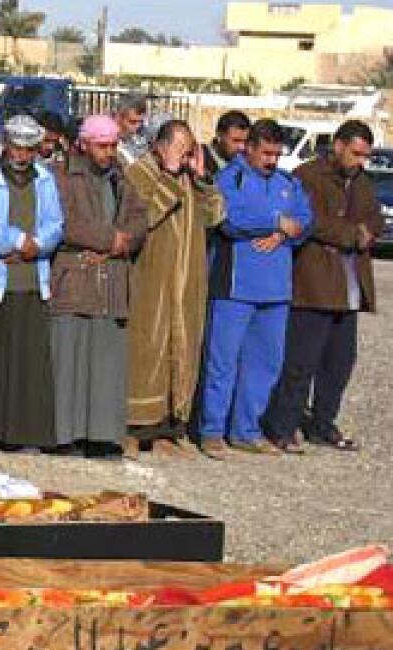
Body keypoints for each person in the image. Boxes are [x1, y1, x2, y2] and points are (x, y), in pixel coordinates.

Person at [263, 120, 380, 453]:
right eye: (356, 153)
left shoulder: (361, 181)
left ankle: (322, 423)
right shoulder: (307, 176)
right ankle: (282, 426)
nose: (360, 161)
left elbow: (374, 216)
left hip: (350, 285)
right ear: (339, 145)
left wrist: (367, 231)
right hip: (315, 283)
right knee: (301, 361)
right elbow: (309, 219)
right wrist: (350, 234)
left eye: (365, 156)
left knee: (340, 363)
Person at [201, 119, 313, 457]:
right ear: (248, 148)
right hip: (235, 286)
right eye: (265, 153)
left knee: (266, 364)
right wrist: (276, 221)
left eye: (276, 154)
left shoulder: (286, 181)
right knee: (223, 362)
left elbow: (305, 219)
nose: (271, 160)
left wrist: (283, 234)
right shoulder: (230, 177)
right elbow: (231, 218)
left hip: (276, 290)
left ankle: (246, 430)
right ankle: (211, 431)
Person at [122, 120, 225, 459]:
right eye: (180, 149)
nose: (185, 156)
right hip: (152, 281)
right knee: (146, 352)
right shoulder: (140, 173)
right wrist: (167, 175)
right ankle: (134, 430)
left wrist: (203, 179)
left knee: (182, 353)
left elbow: (216, 217)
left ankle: (169, 428)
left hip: (187, 285)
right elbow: (144, 218)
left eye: (189, 149)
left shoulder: (191, 178)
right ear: (161, 146)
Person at [0, 115, 63, 451]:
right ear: (6, 146)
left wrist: (38, 245)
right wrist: (19, 242)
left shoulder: (45, 179)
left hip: (31, 278)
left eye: (29, 150)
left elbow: (55, 223)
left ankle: (23, 435)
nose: (22, 156)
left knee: (27, 361)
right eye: (17, 149)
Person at [49, 115, 148, 456]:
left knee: (106, 361)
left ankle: (102, 435)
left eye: (112, 145)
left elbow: (139, 217)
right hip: (75, 275)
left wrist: (123, 242)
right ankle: (66, 436)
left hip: (110, 279)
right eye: (102, 145)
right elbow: (64, 221)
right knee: (70, 361)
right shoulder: (62, 175)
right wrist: (110, 239)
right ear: (84, 144)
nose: (108, 152)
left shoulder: (121, 177)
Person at [201, 110, 251, 177]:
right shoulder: (199, 161)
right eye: (236, 140)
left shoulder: (246, 164)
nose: (242, 147)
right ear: (219, 135)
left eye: (245, 141)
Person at [114, 94, 149, 165]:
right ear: (118, 117)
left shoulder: (141, 140)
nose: (137, 126)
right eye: (132, 122)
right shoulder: (106, 142)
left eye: (141, 121)